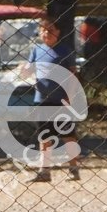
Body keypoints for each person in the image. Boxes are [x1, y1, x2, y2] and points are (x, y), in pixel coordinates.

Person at [23, 17, 81, 182]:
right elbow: (27, 71)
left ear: (58, 32)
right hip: (41, 100)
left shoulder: (64, 51)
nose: (47, 33)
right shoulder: (36, 50)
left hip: (61, 100)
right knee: (44, 136)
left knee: (68, 135)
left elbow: (73, 76)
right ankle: (44, 171)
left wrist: (69, 97)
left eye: (50, 30)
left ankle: (74, 169)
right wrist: (24, 69)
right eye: (43, 30)